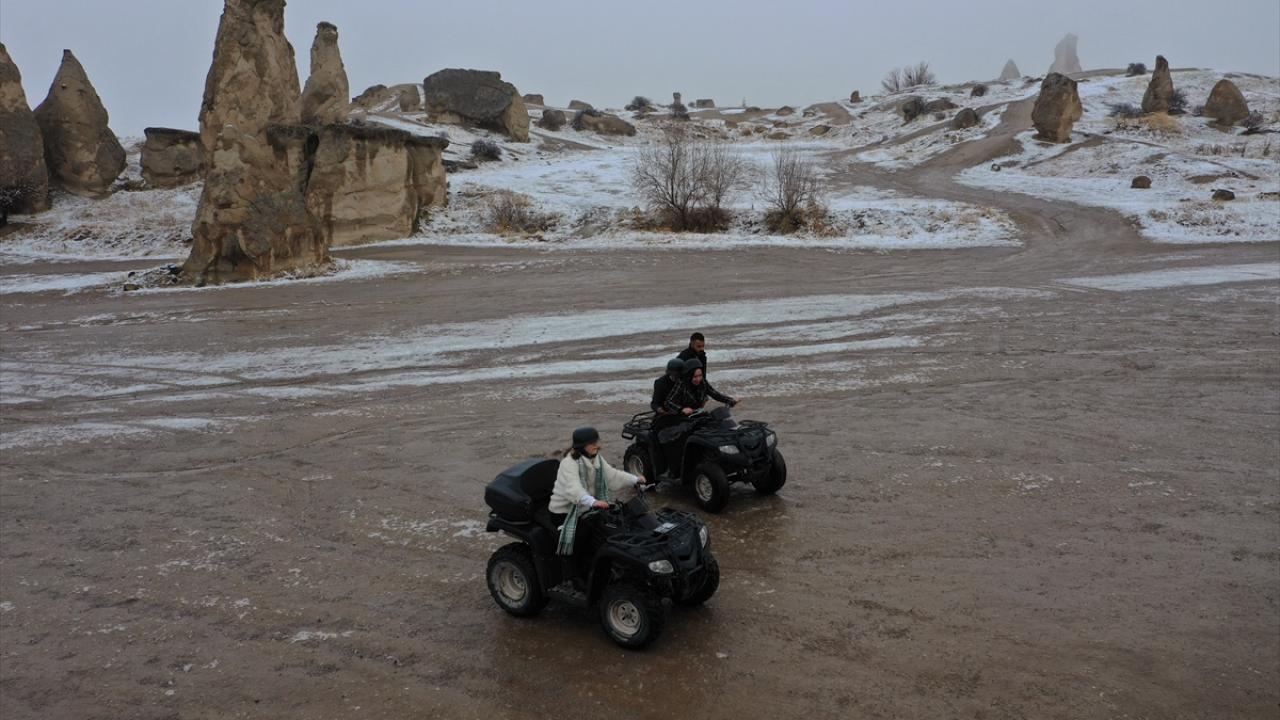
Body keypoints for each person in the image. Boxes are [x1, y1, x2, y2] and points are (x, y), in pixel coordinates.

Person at [549, 427, 646, 556]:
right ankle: (571, 573)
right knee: (577, 544)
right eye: (592, 443)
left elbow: (612, 475)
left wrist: (634, 479)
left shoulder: (596, 458)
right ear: (582, 446)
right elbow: (573, 489)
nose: (597, 445)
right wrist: (593, 502)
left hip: (588, 506)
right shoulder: (568, 464)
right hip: (566, 511)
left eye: (597, 442)